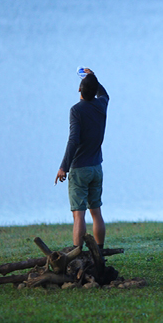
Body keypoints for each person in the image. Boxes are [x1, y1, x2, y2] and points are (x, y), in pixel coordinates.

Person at [55, 68, 109, 249]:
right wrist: (94, 78)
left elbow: (73, 140)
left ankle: (77, 255)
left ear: (79, 89)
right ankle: (99, 253)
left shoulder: (76, 110)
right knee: (96, 212)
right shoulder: (101, 105)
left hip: (79, 169)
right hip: (96, 168)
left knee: (79, 215)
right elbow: (105, 94)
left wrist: (63, 167)